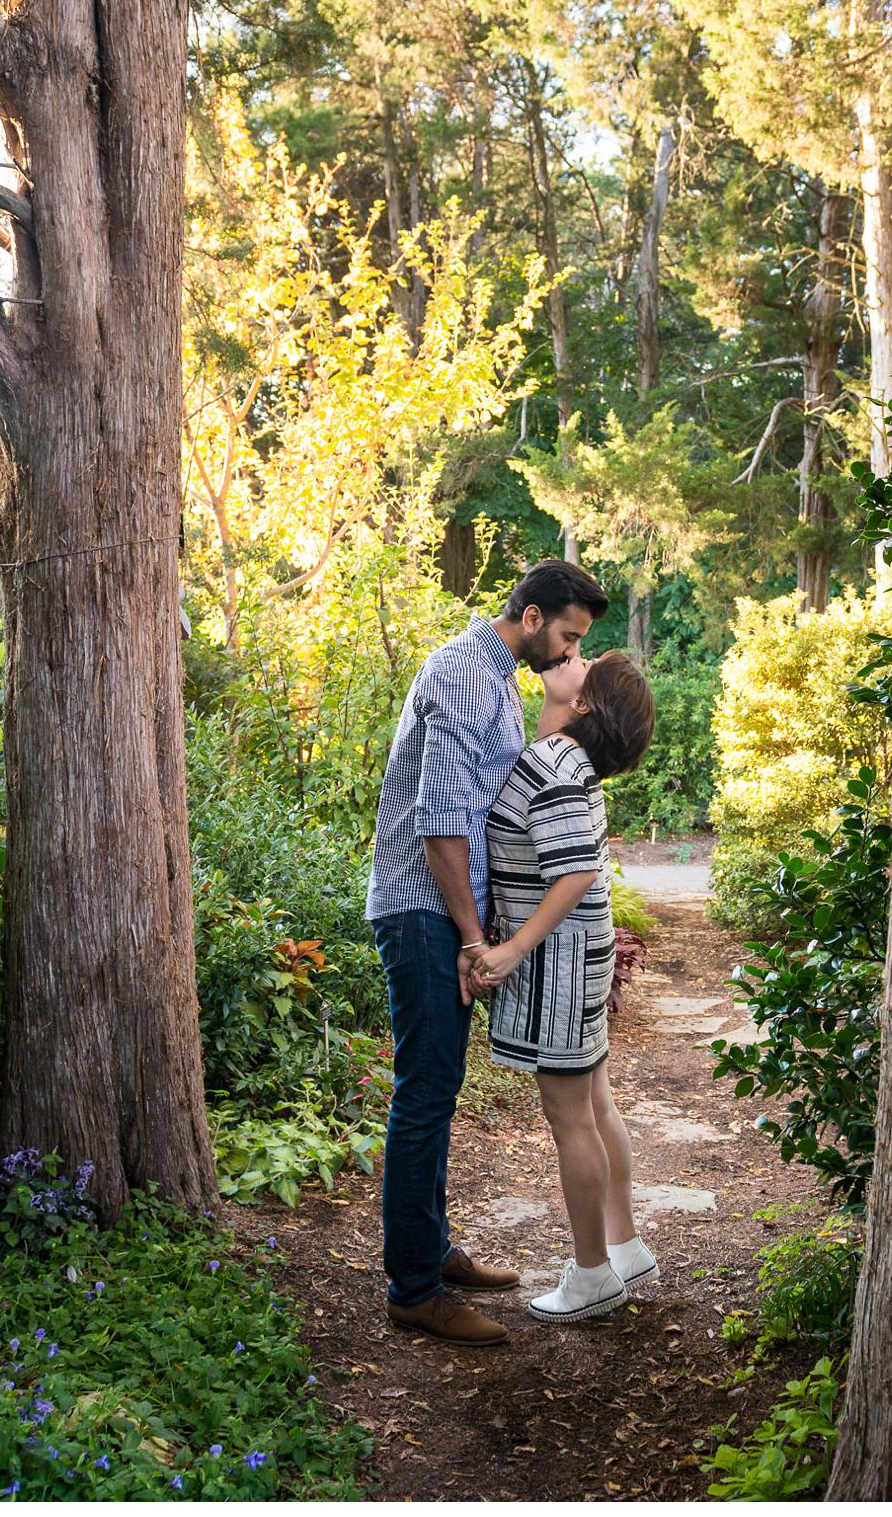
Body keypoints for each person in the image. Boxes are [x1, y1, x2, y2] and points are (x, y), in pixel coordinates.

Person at [368, 559, 609, 1346]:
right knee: (426, 1091)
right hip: (424, 911)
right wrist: (476, 938)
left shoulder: (492, 676)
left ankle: (431, 1253)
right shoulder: (467, 677)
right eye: (569, 635)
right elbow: (441, 828)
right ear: (533, 617)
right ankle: (412, 1287)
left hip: (447, 912)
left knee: (437, 1088)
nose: (570, 652)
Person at [472, 650, 658, 1322]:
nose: (569, 655)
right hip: (580, 950)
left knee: (570, 1116)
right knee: (597, 1101)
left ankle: (589, 1275)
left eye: (585, 662)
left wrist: (510, 949)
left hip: (556, 958)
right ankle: (623, 1244)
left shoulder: (551, 763)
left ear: (585, 705)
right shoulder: (566, 761)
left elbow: (574, 871)